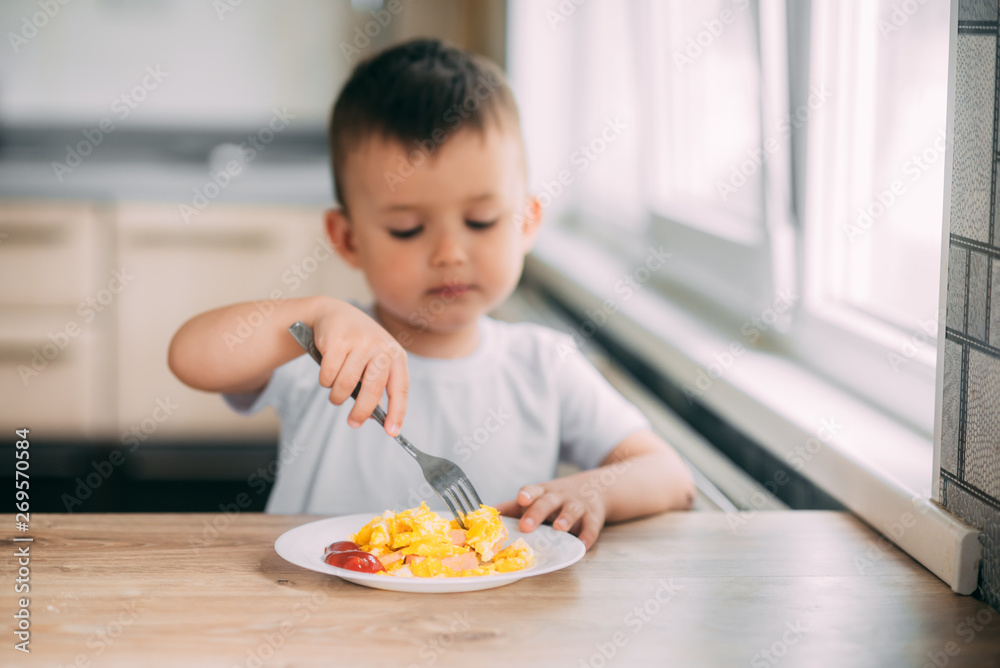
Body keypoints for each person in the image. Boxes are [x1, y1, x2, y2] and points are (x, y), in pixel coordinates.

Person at [168, 38, 694, 550]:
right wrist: (313, 312)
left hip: (486, 630)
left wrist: (592, 491)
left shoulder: (543, 366)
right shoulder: (321, 344)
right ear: (348, 239)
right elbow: (189, 356)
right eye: (406, 229)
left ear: (527, 221)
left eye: (481, 221)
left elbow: (669, 475)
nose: (449, 253)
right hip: (317, 620)